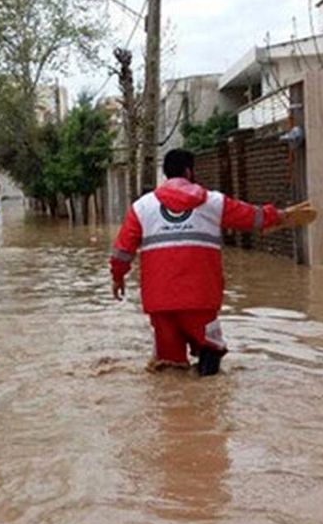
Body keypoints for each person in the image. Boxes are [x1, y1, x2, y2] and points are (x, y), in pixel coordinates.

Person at [110, 149, 294, 376]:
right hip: (200, 299)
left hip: (160, 303)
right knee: (211, 350)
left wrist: (117, 278)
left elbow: (122, 251)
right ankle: (205, 403)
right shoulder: (213, 202)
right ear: (189, 171)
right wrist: (280, 215)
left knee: (169, 367)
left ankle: (173, 407)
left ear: (165, 173)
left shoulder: (141, 208)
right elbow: (252, 216)